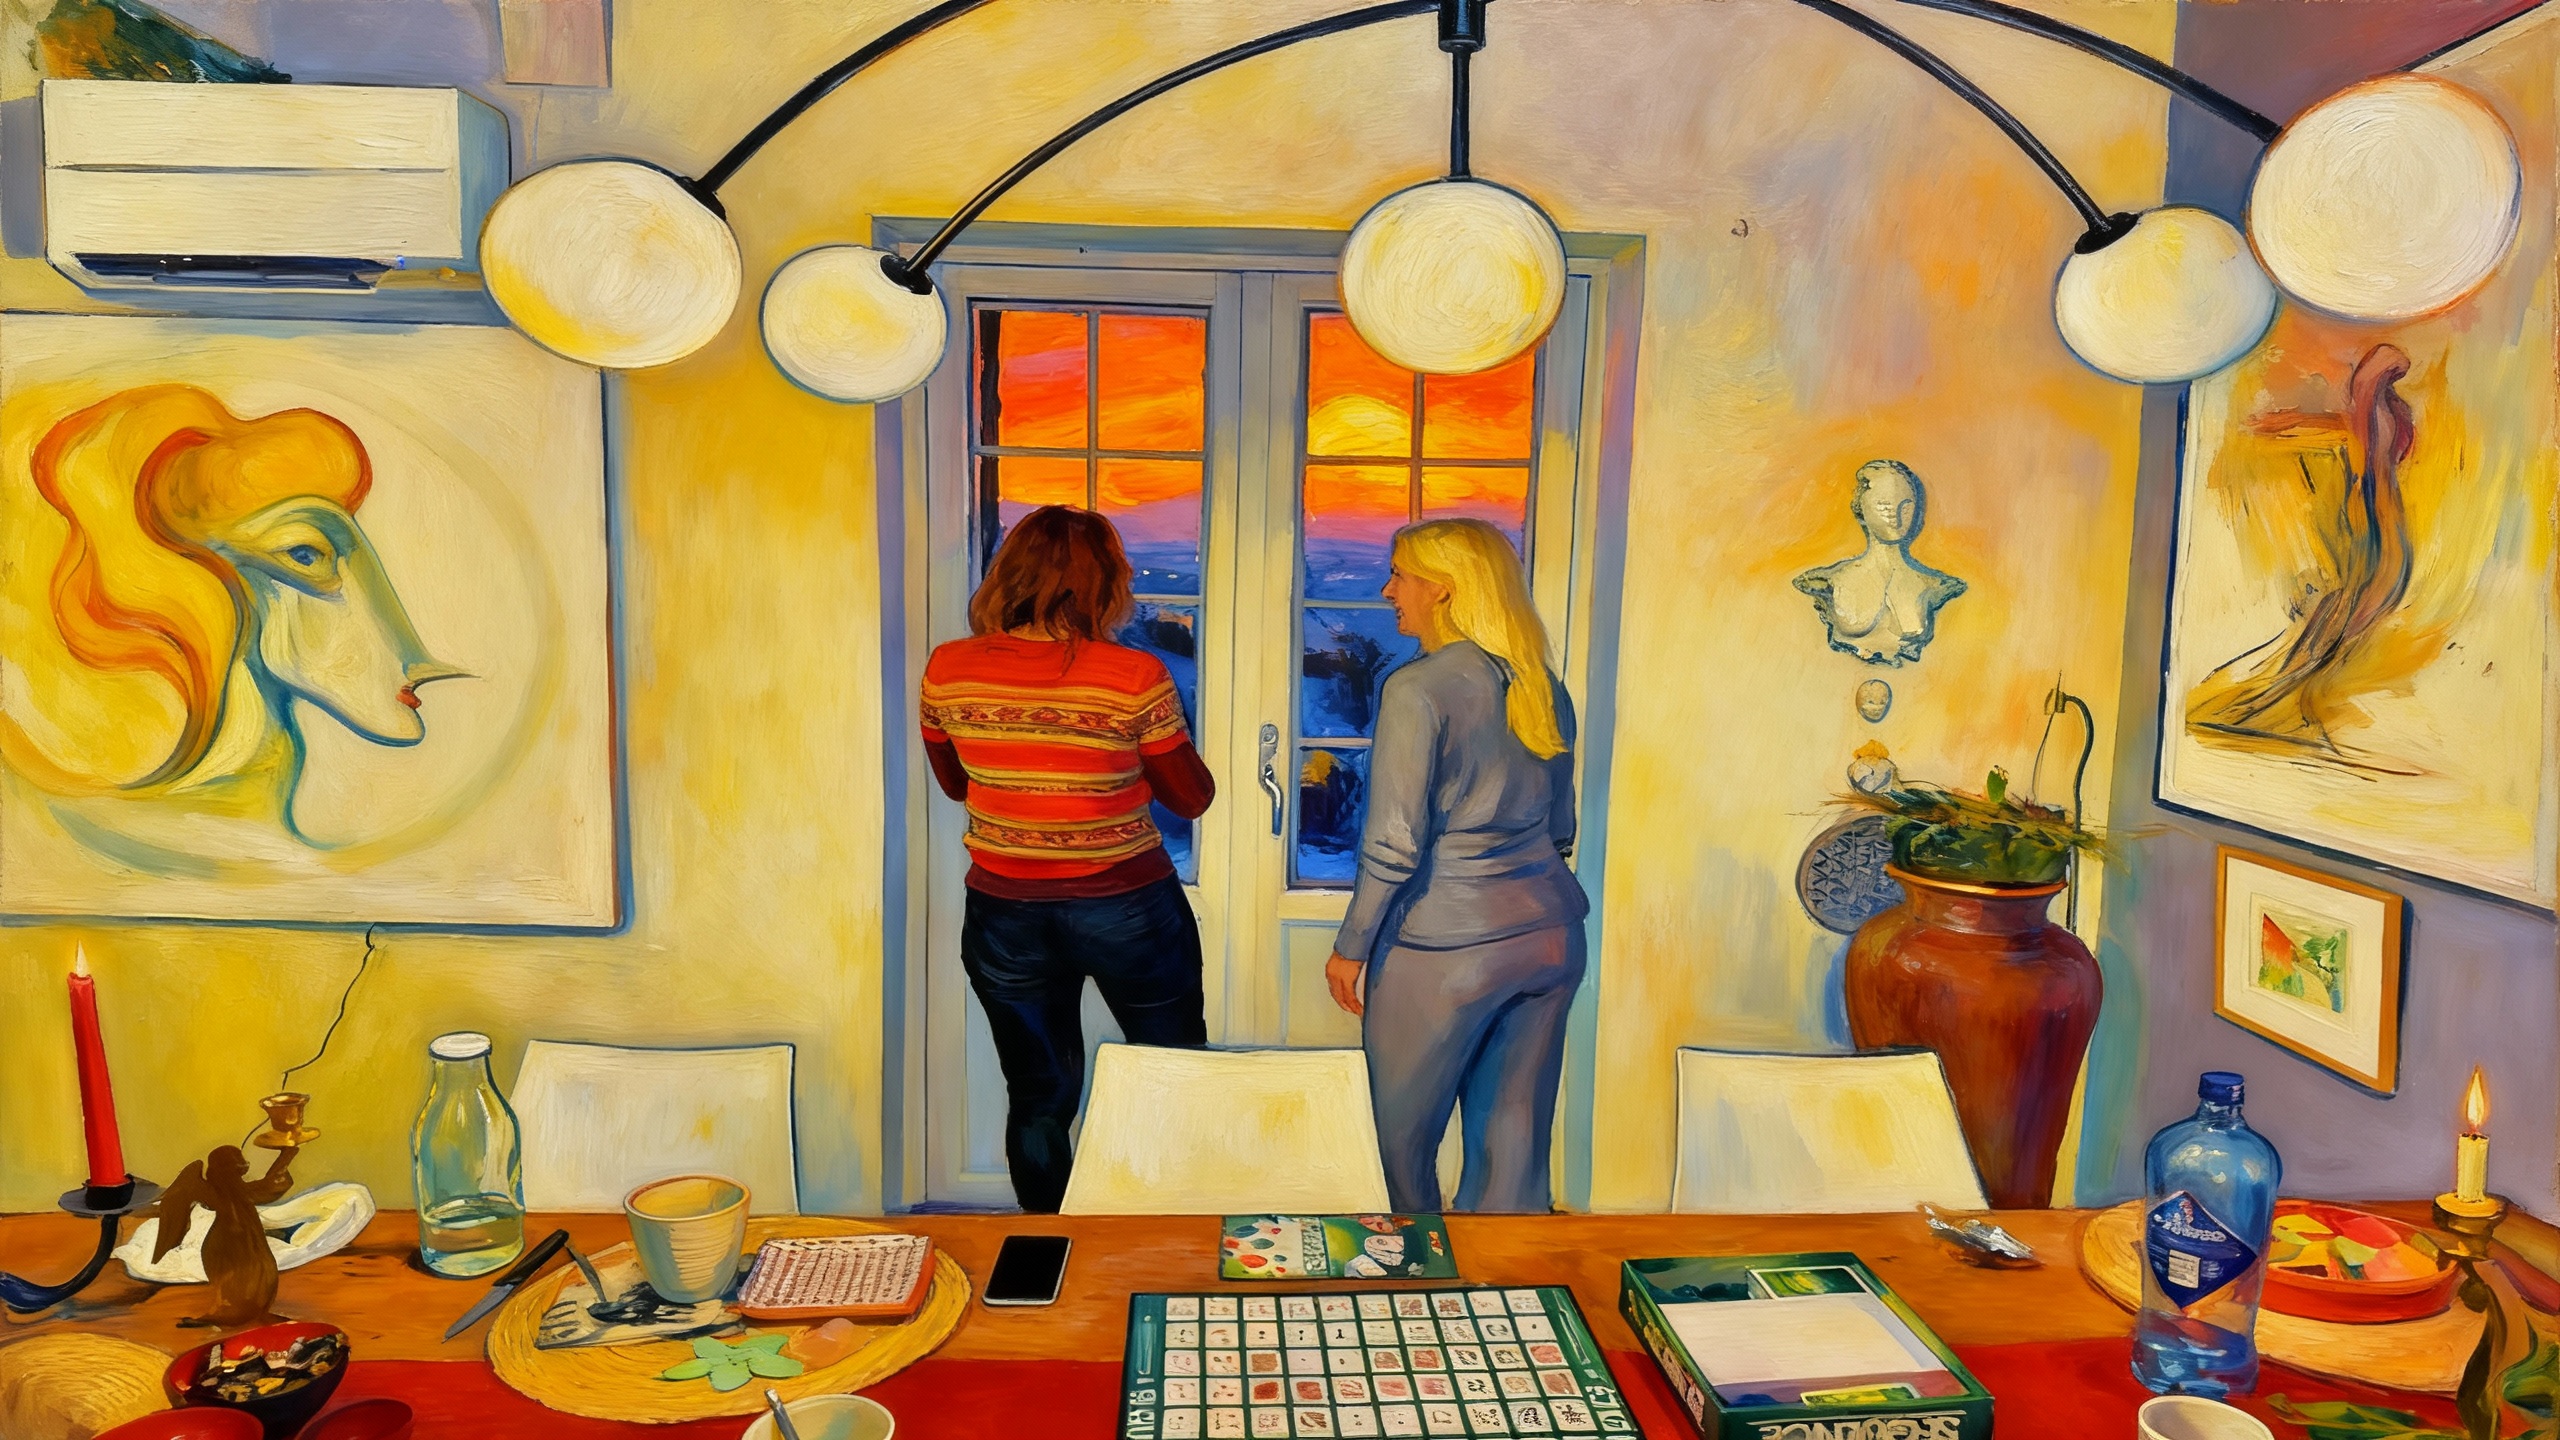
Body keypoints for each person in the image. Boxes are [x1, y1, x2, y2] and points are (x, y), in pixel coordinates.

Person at [919, 506, 1216, 1213]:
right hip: (1128, 907)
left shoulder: (948, 668)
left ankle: (1052, 1245)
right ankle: (1168, 1232)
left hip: (1005, 913)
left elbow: (958, 783)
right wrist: (1118, 765)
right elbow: (1192, 796)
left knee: (1038, 1094)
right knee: (1173, 1073)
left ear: (1009, 574)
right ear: (1104, 582)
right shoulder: (1133, 675)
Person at [1323, 518, 1589, 1213]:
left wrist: (1352, 946)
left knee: (1400, 1154)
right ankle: (1504, 1273)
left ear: (1442, 588)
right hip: (1549, 936)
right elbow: (1561, 828)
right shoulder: (1543, 685)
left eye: (1399, 575)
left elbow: (1394, 845)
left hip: (1443, 947)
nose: (1388, 591)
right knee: (1515, 1155)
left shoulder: (1416, 689)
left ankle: (1416, 1271)